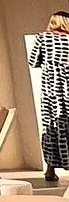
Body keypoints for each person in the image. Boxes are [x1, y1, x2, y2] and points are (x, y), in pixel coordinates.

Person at [29, 10, 69, 183]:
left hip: (50, 91)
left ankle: (50, 169)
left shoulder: (42, 38)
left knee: (51, 127)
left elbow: (33, 61)